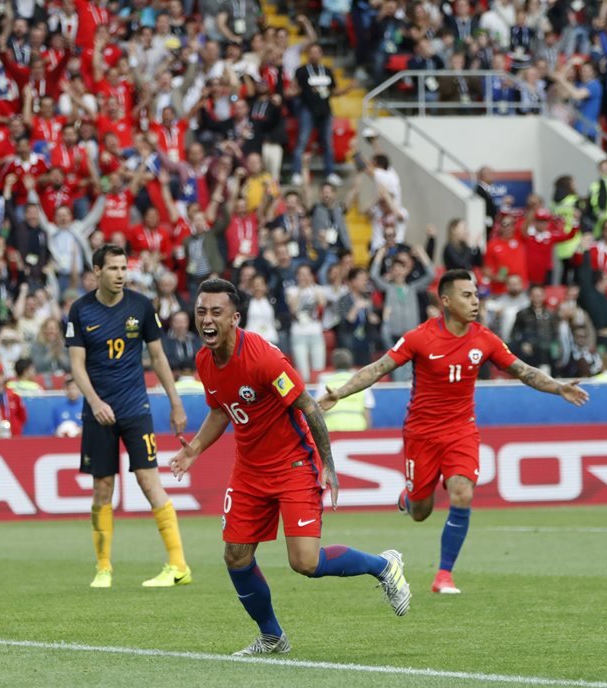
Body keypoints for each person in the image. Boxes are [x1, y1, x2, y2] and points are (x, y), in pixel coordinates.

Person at [168, 278, 409, 656]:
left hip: (293, 462)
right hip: (249, 469)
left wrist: (328, 465)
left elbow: (308, 406)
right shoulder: (204, 361)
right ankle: (272, 636)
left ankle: (383, 565)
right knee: (236, 554)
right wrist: (194, 449)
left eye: (216, 312)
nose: (206, 320)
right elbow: (220, 410)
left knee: (305, 563)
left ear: (235, 318)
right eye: (201, 312)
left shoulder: (263, 358)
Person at [318, 269, 590, 595]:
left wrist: (558, 387)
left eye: (476, 295)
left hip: (461, 430)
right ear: (446, 301)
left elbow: (523, 370)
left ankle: (444, 574)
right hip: (421, 434)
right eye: (466, 295)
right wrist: (341, 392)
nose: (474, 301)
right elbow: (378, 369)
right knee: (420, 512)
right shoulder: (420, 337)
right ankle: (410, 498)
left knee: (462, 492)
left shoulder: (484, 338)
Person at [66, 244, 191, 589]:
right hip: (99, 412)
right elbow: (76, 365)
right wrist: (94, 402)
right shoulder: (80, 310)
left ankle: (179, 565)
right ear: (96, 272)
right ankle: (103, 568)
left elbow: (158, 356)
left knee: (149, 482)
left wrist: (175, 401)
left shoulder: (141, 305)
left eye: (123, 268)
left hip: (136, 408)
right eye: (113, 269)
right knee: (102, 488)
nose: (121, 275)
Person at [314, 349, 375, 431]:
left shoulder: (325, 384)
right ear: (351, 363)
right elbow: (367, 413)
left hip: (332, 429)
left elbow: (318, 411)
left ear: (333, 364)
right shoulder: (361, 383)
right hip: (358, 429)